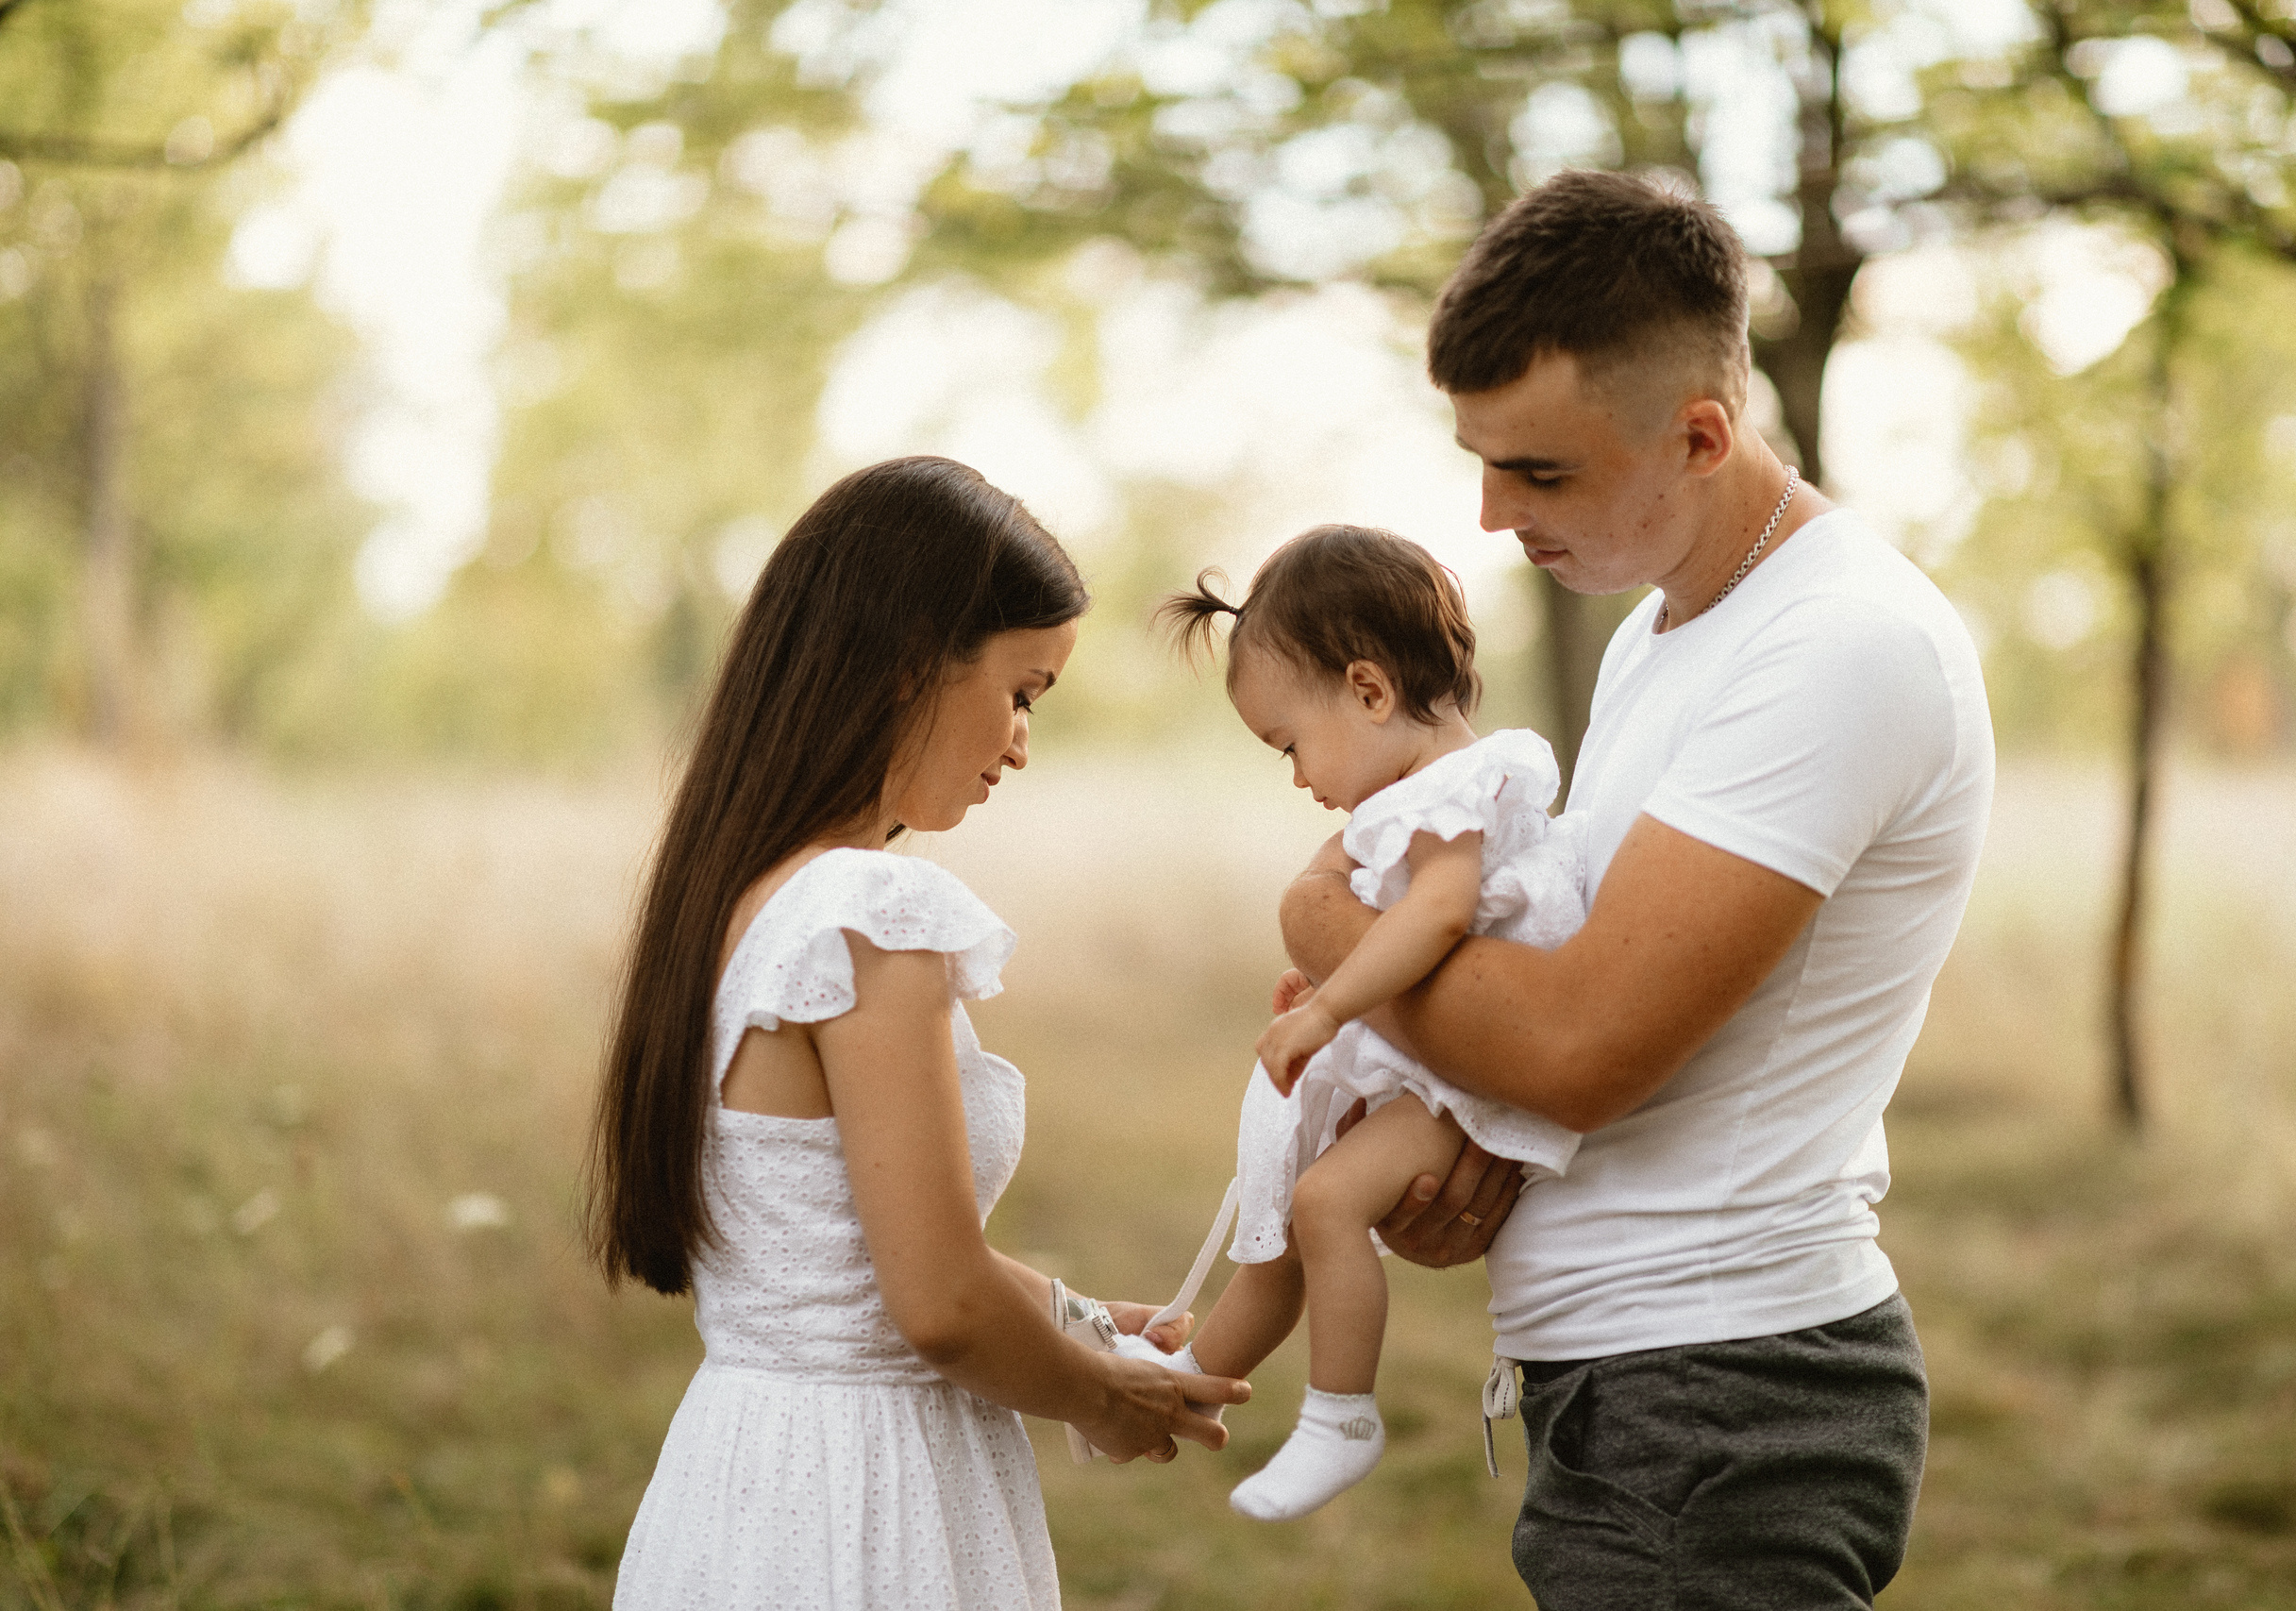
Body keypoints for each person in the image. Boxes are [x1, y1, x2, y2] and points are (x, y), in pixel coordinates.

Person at [1281, 171, 1996, 1606]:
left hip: (1725, 1395)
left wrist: (1320, 920)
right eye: (1480, 461)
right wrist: (1461, 1159)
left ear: (1703, 432)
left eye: (1539, 472)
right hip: (1638, 1378)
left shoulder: (1840, 647)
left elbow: (1572, 1045)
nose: (1490, 515)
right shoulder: (1663, 638)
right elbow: (1551, 994)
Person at [586, 456, 1248, 1610]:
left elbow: (842, 1253)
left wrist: (1085, 1325)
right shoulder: (870, 917)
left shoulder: (738, 899)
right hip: (864, 1494)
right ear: (908, 666)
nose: (1021, 743)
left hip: (737, 1470)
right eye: (1023, 690)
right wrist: (1103, 1398)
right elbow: (936, 1302)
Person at [1149, 526, 1590, 1521]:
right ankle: (1169, 1385)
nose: (1299, 778)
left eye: (1289, 744)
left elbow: (1437, 915)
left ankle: (1340, 1414)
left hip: (1474, 1075)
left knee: (1323, 1204)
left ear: (1367, 690)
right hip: (1440, 1060)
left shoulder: (1447, 795)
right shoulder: (1424, 795)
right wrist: (1326, 1002)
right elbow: (1416, 937)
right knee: (1292, 1208)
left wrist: (1334, 1007)